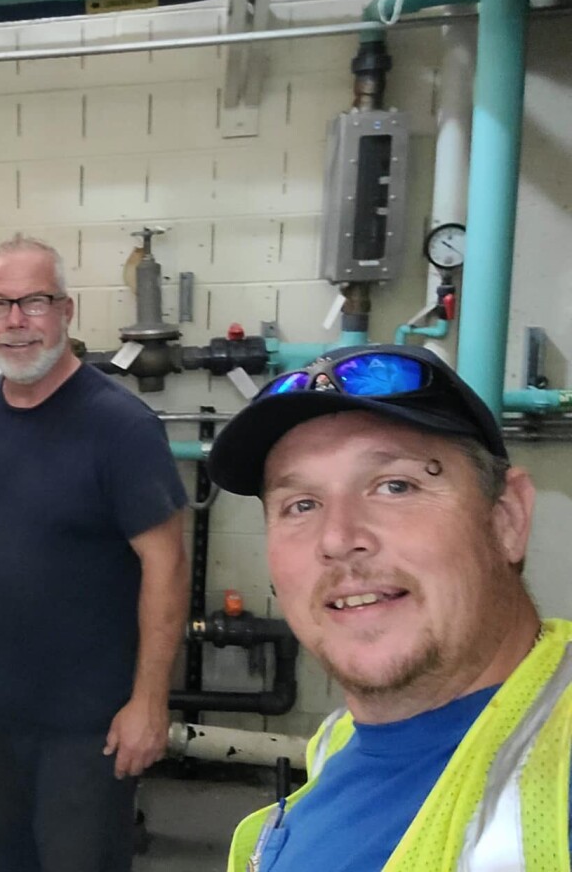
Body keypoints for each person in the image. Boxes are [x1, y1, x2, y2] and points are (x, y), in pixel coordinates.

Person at [207, 344, 571, 872]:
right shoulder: (341, 743)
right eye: (301, 505)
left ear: (508, 518)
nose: (337, 538)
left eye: (395, 486)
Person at [0, 235, 189, 872]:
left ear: (67, 311)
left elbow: (167, 564)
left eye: (35, 302)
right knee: (5, 859)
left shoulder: (121, 427)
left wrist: (150, 701)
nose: (16, 322)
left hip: (90, 728)